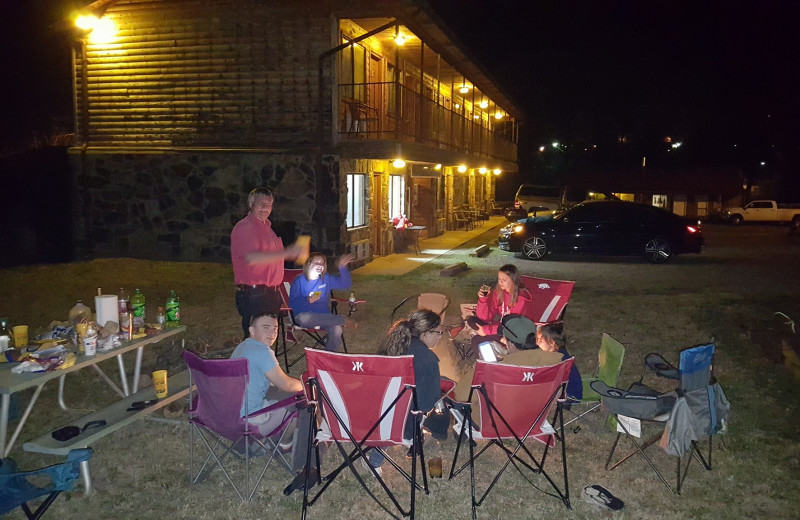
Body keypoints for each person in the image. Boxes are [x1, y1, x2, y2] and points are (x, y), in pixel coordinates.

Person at [230, 313, 315, 477]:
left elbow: (272, 382)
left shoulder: (242, 347)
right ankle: (285, 445)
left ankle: (251, 443)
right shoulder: (262, 351)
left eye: (275, 329)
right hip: (251, 420)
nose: (272, 333)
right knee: (303, 401)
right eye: (266, 328)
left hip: (229, 416)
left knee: (282, 393)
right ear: (252, 330)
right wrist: (309, 385)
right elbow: (286, 384)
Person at [364, 309, 448, 475]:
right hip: (403, 425)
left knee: (396, 403)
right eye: (438, 332)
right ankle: (424, 438)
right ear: (425, 333)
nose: (440, 336)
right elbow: (426, 404)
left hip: (373, 413)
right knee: (436, 401)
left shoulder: (393, 346)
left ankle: (375, 459)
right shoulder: (428, 359)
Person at [453, 314, 568, 427]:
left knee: (450, 393)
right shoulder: (554, 362)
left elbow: (460, 395)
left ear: (511, 345)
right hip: (532, 420)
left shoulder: (499, 369)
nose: (503, 341)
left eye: (504, 339)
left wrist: (480, 367)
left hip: (496, 424)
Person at [231, 187, 305, 338]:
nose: (266, 208)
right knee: (256, 340)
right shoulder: (245, 228)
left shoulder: (267, 228)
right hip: (254, 294)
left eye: (269, 204)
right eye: (261, 203)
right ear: (251, 203)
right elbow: (252, 258)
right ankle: (252, 361)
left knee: (267, 339)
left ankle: (265, 361)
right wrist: (286, 253)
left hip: (270, 293)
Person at [288, 252, 356, 352]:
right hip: (304, 317)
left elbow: (346, 284)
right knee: (304, 318)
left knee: (337, 328)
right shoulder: (299, 281)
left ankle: (329, 356)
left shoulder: (326, 279)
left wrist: (342, 267)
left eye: (322, 263)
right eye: (317, 262)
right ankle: (342, 319)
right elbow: (292, 303)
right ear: (309, 264)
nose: (320, 265)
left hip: (324, 316)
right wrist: (307, 300)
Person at [467, 264, 532, 353]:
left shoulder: (521, 299)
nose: (500, 282)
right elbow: (485, 317)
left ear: (513, 280)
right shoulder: (498, 293)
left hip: (515, 333)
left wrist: (486, 330)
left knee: (477, 340)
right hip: (501, 330)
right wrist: (483, 299)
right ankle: (501, 341)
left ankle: (504, 345)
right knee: (472, 320)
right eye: (499, 279)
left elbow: (513, 327)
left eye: (504, 280)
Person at [535, 321, 583, 401]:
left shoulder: (558, 360)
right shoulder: (560, 353)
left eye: (540, 341)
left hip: (569, 396)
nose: (537, 343)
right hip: (569, 391)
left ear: (551, 343)